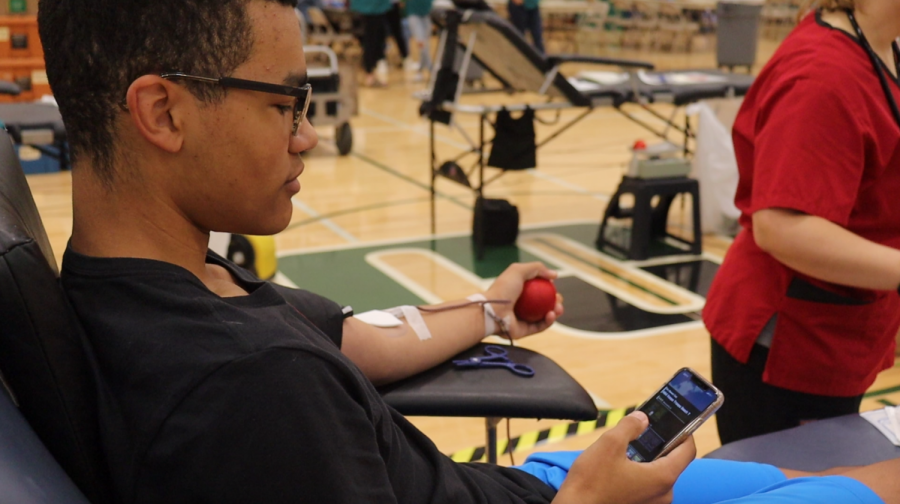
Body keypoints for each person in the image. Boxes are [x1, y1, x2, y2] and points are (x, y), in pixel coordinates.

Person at [39, 0, 900, 502]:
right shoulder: (248, 390)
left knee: (794, 475)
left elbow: (361, 340)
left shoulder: (176, 280)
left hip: (529, 486)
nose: (305, 137)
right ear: (161, 114)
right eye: (285, 104)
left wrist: (492, 307)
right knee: (860, 488)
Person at [703, 0, 900, 444]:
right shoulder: (825, 75)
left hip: (843, 328)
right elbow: (784, 226)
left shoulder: (879, 45)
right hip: (790, 340)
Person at [350, 0, 391, 86]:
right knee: (371, 42)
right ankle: (369, 75)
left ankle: (370, 74)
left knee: (373, 42)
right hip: (371, 10)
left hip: (371, 9)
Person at [406, 0, 434, 80]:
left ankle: (421, 70)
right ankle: (430, 67)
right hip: (413, 14)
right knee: (421, 42)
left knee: (426, 44)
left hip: (427, 14)